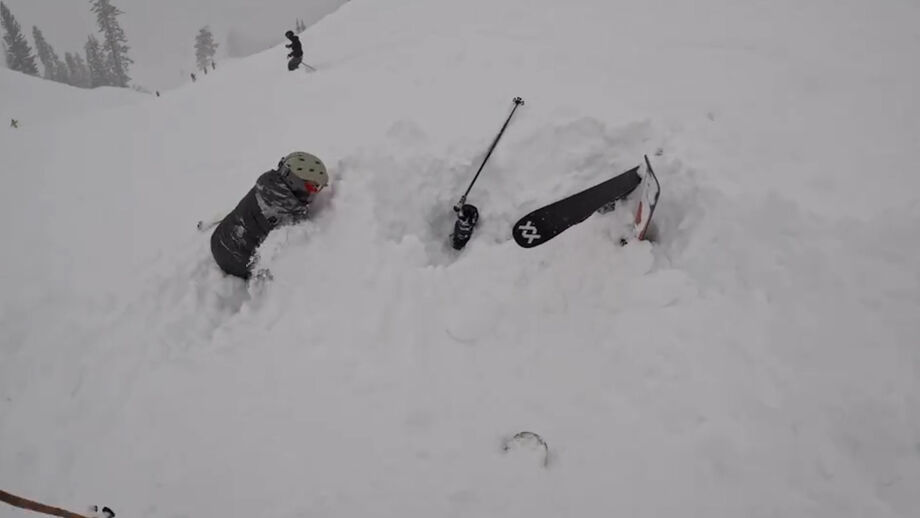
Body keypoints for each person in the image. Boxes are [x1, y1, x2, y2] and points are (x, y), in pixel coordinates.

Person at [210, 152, 329, 280]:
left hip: (218, 237)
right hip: (236, 262)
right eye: (313, 187)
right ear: (295, 182)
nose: (316, 192)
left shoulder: (268, 182)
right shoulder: (286, 212)